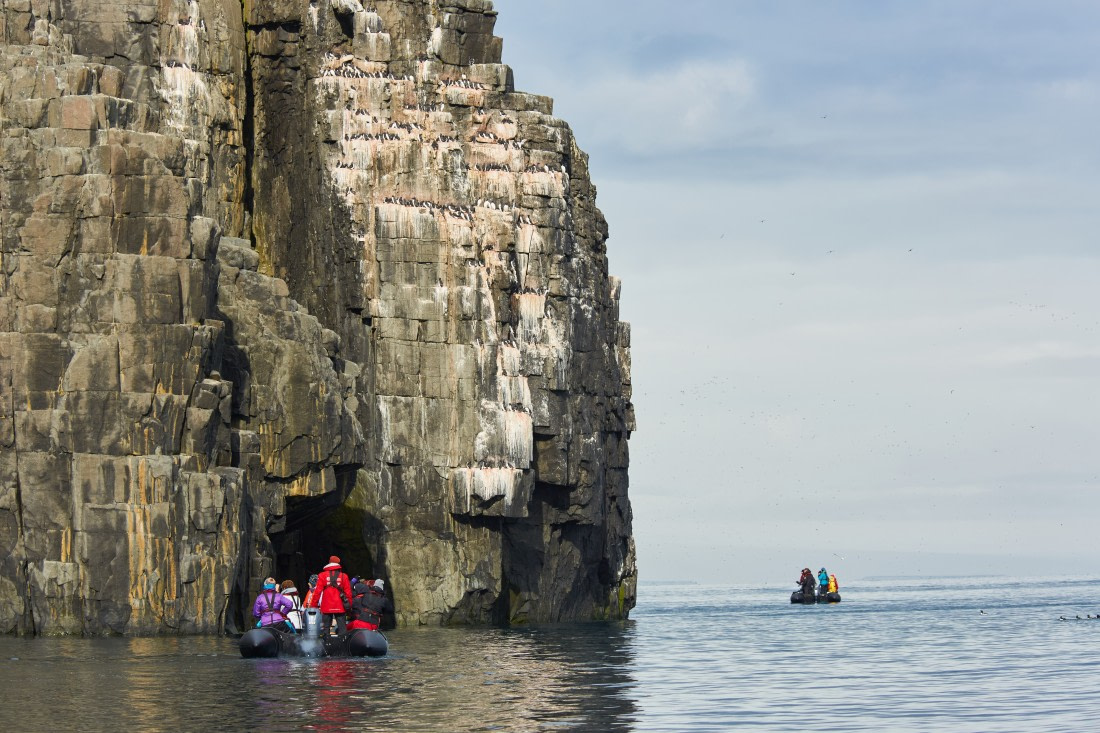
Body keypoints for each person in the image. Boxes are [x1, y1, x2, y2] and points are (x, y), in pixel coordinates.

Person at [307, 556, 352, 637]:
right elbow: (348, 593)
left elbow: (317, 592)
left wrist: (313, 606)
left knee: (326, 629)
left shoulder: (322, 575)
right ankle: (342, 644)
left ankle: (326, 643)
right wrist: (349, 607)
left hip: (326, 605)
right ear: (338, 564)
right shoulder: (344, 576)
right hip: (340, 606)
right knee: (342, 629)